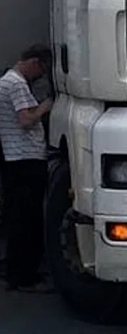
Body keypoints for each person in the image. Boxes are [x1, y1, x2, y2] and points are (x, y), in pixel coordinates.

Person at [0, 44, 54, 292]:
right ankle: (24, 277)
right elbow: (26, 120)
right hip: (24, 159)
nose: (40, 75)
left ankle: (16, 271)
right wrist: (44, 107)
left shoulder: (7, 81)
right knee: (26, 220)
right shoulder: (17, 84)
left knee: (18, 218)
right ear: (34, 62)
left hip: (15, 159)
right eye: (41, 69)